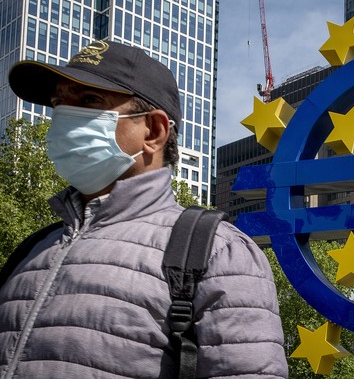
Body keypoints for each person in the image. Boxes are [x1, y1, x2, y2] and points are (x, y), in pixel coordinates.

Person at [0, 40, 288, 379]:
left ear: (154, 131)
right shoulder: (32, 250)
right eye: (58, 102)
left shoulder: (217, 252)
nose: (63, 117)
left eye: (90, 100)